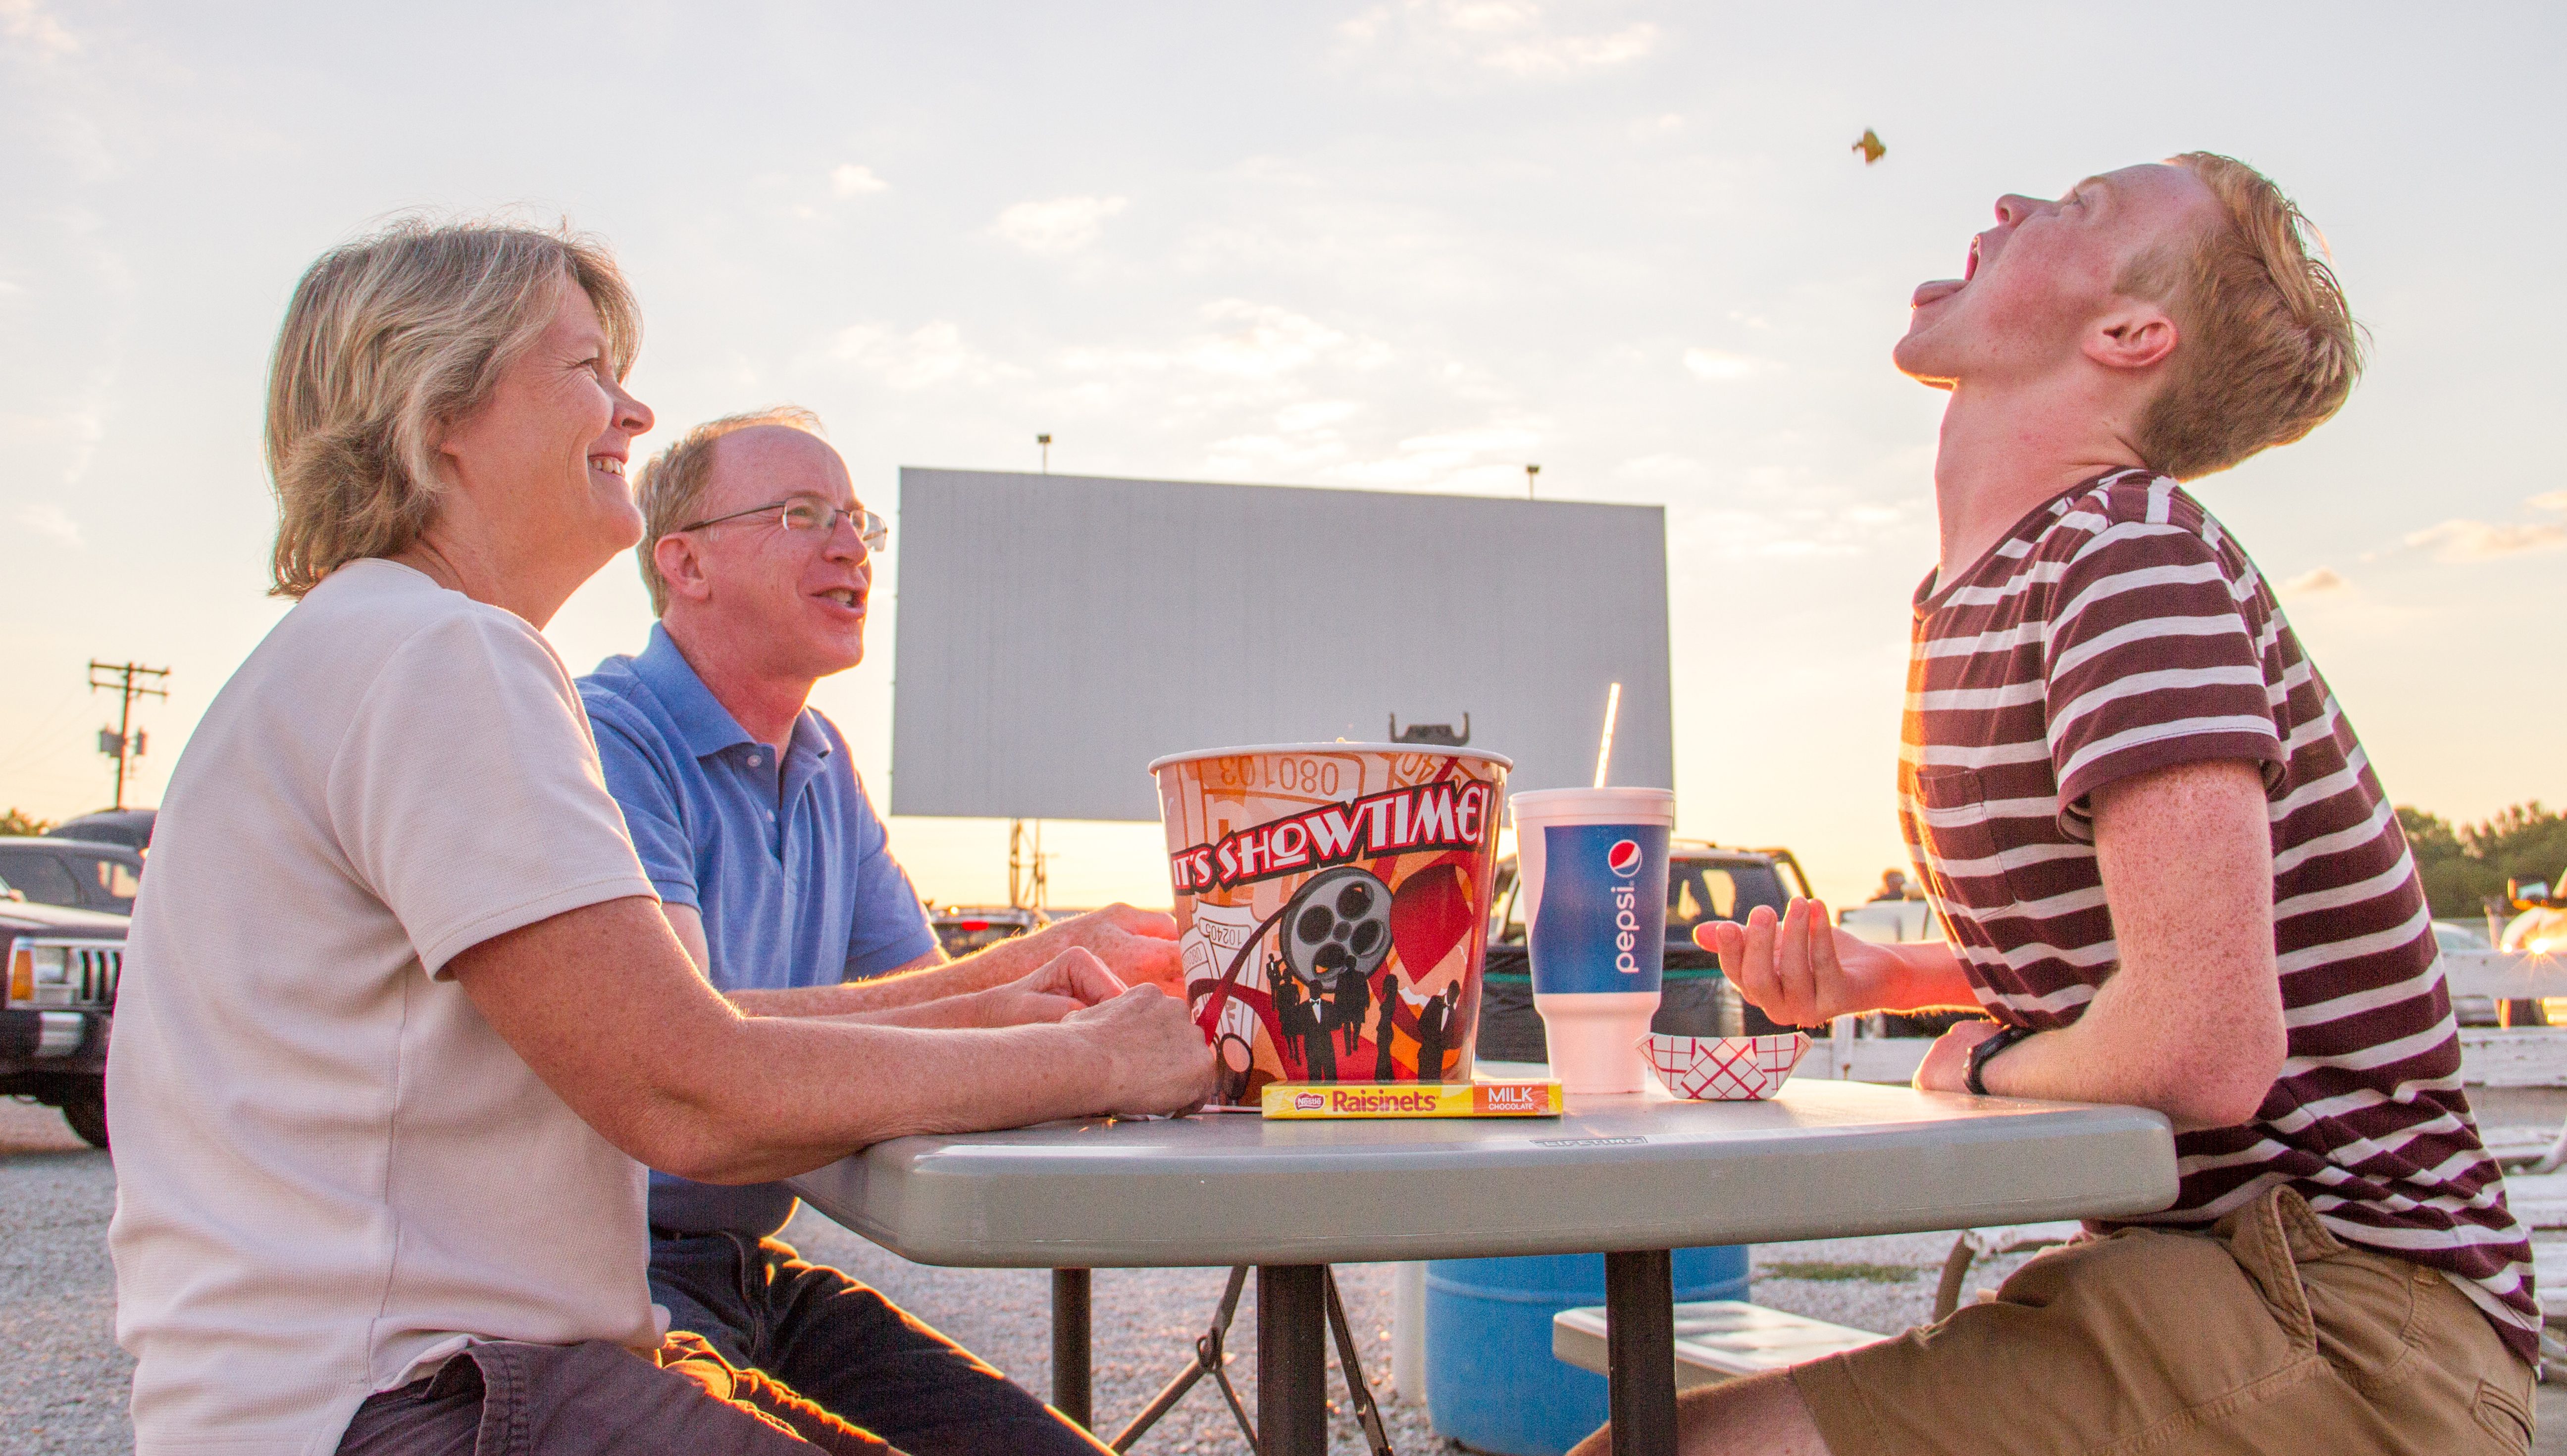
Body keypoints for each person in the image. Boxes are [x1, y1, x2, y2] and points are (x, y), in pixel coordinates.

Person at [106, 220, 1212, 1456]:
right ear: (436, 413)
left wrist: (1018, 998)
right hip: (408, 1400)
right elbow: (685, 1085)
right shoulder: (441, 655)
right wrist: (1104, 1061)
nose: (633, 413)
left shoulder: (368, 646)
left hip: (407, 1377)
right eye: (586, 370)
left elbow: (666, 1029)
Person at [1576, 156, 2535, 1456]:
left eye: (2077, 209)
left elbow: (2206, 1038)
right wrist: (1892, 977)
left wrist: (1982, 1057)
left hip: (2350, 1326)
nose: (2016, 204)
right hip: (2247, 1292)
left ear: (2130, 336)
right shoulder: (2016, 582)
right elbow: (2145, 949)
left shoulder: (2126, 556)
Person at [579, 405, 1200, 1453]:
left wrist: (1066, 982)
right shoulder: (611, 736)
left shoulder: (820, 761)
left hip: (742, 1267)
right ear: (682, 562)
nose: (848, 546)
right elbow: (687, 1041)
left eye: (859, 522)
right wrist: (1052, 981)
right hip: (606, 1278)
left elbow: (933, 1014)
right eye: (800, 513)